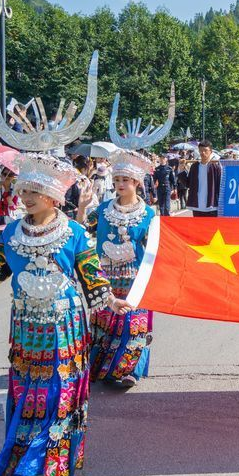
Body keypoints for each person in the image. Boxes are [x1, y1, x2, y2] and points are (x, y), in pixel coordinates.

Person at [0, 152, 130, 476]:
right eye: (23, 190)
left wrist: (111, 300)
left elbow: (93, 278)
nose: (25, 198)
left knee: (58, 394)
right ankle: (24, 468)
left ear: (53, 195)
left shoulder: (74, 232)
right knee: (29, 393)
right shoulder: (13, 231)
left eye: (33, 191)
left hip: (66, 328)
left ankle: (42, 465)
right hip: (27, 330)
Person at [78, 149, 156, 388]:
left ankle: (130, 370)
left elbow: (155, 248)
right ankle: (105, 369)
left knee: (133, 325)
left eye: (125, 180)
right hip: (106, 278)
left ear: (136, 183)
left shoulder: (148, 214)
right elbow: (79, 232)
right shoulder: (102, 210)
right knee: (105, 324)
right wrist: (81, 208)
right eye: (117, 180)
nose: (120, 184)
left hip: (135, 278)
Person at [186, 140, 222, 217]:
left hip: (212, 206)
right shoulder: (194, 167)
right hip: (197, 206)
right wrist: (181, 171)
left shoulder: (216, 168)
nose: (203, 153)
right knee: (197, 229)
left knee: (212, 229)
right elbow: (188, 183)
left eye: (205, 150)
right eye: (201, 151)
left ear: (211, 151)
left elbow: (220, 187)